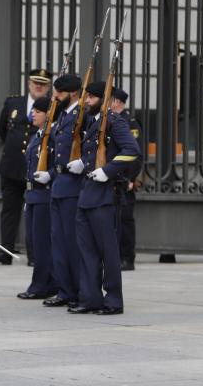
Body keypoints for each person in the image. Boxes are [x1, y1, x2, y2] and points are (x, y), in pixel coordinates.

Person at [67, 81, 140, 315]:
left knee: (108, 252)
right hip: (87, 193)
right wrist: (82, 164)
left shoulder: (115, 122)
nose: (86, 101)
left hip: (106, 195)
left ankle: (113, 300)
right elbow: (92, 152)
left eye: (90, 98)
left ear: (103, 99)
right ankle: (89, 298)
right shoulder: (92, 122)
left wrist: (108, 170)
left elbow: (132, 151)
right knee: (86, 250)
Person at [0, 68, 52, 265]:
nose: (38, 86)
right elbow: (3, 130)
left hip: (37, 168)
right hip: (12, 165)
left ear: (48, 87)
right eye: (35, 82)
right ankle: (5, 251)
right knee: (9, 210)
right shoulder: (14, 102)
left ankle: (34, 255)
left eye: (43, 84)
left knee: (35, 211)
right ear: (29, 84)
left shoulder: (52, 105)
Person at [43, 73, 84, 308]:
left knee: (71, 242)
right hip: (59, 182)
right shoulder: (62, 116)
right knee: (57, 241)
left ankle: (79, 290)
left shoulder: (81, 115)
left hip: (73, 184)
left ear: (74, 93)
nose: (55, 96)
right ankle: (65, 289)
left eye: (60, 92)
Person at [17, 96, 58, 300]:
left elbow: (60, 163)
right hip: (33, 194)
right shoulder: (37, 136)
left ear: (48, 115)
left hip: (44, 194)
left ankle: (40, 285)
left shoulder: (52, 137)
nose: (33, 114)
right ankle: (46, 282)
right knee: (33, 242)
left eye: (38, 111)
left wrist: (50, 174)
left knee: (41, 244)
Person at [110, 87, 142, 271]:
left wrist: (130, 178)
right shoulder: (112, 120)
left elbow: (136, 155)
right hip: (114, 178)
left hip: (125, 180)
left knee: (125, 220)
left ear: (117, 102)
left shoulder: (130, 123)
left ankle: (127, 257)